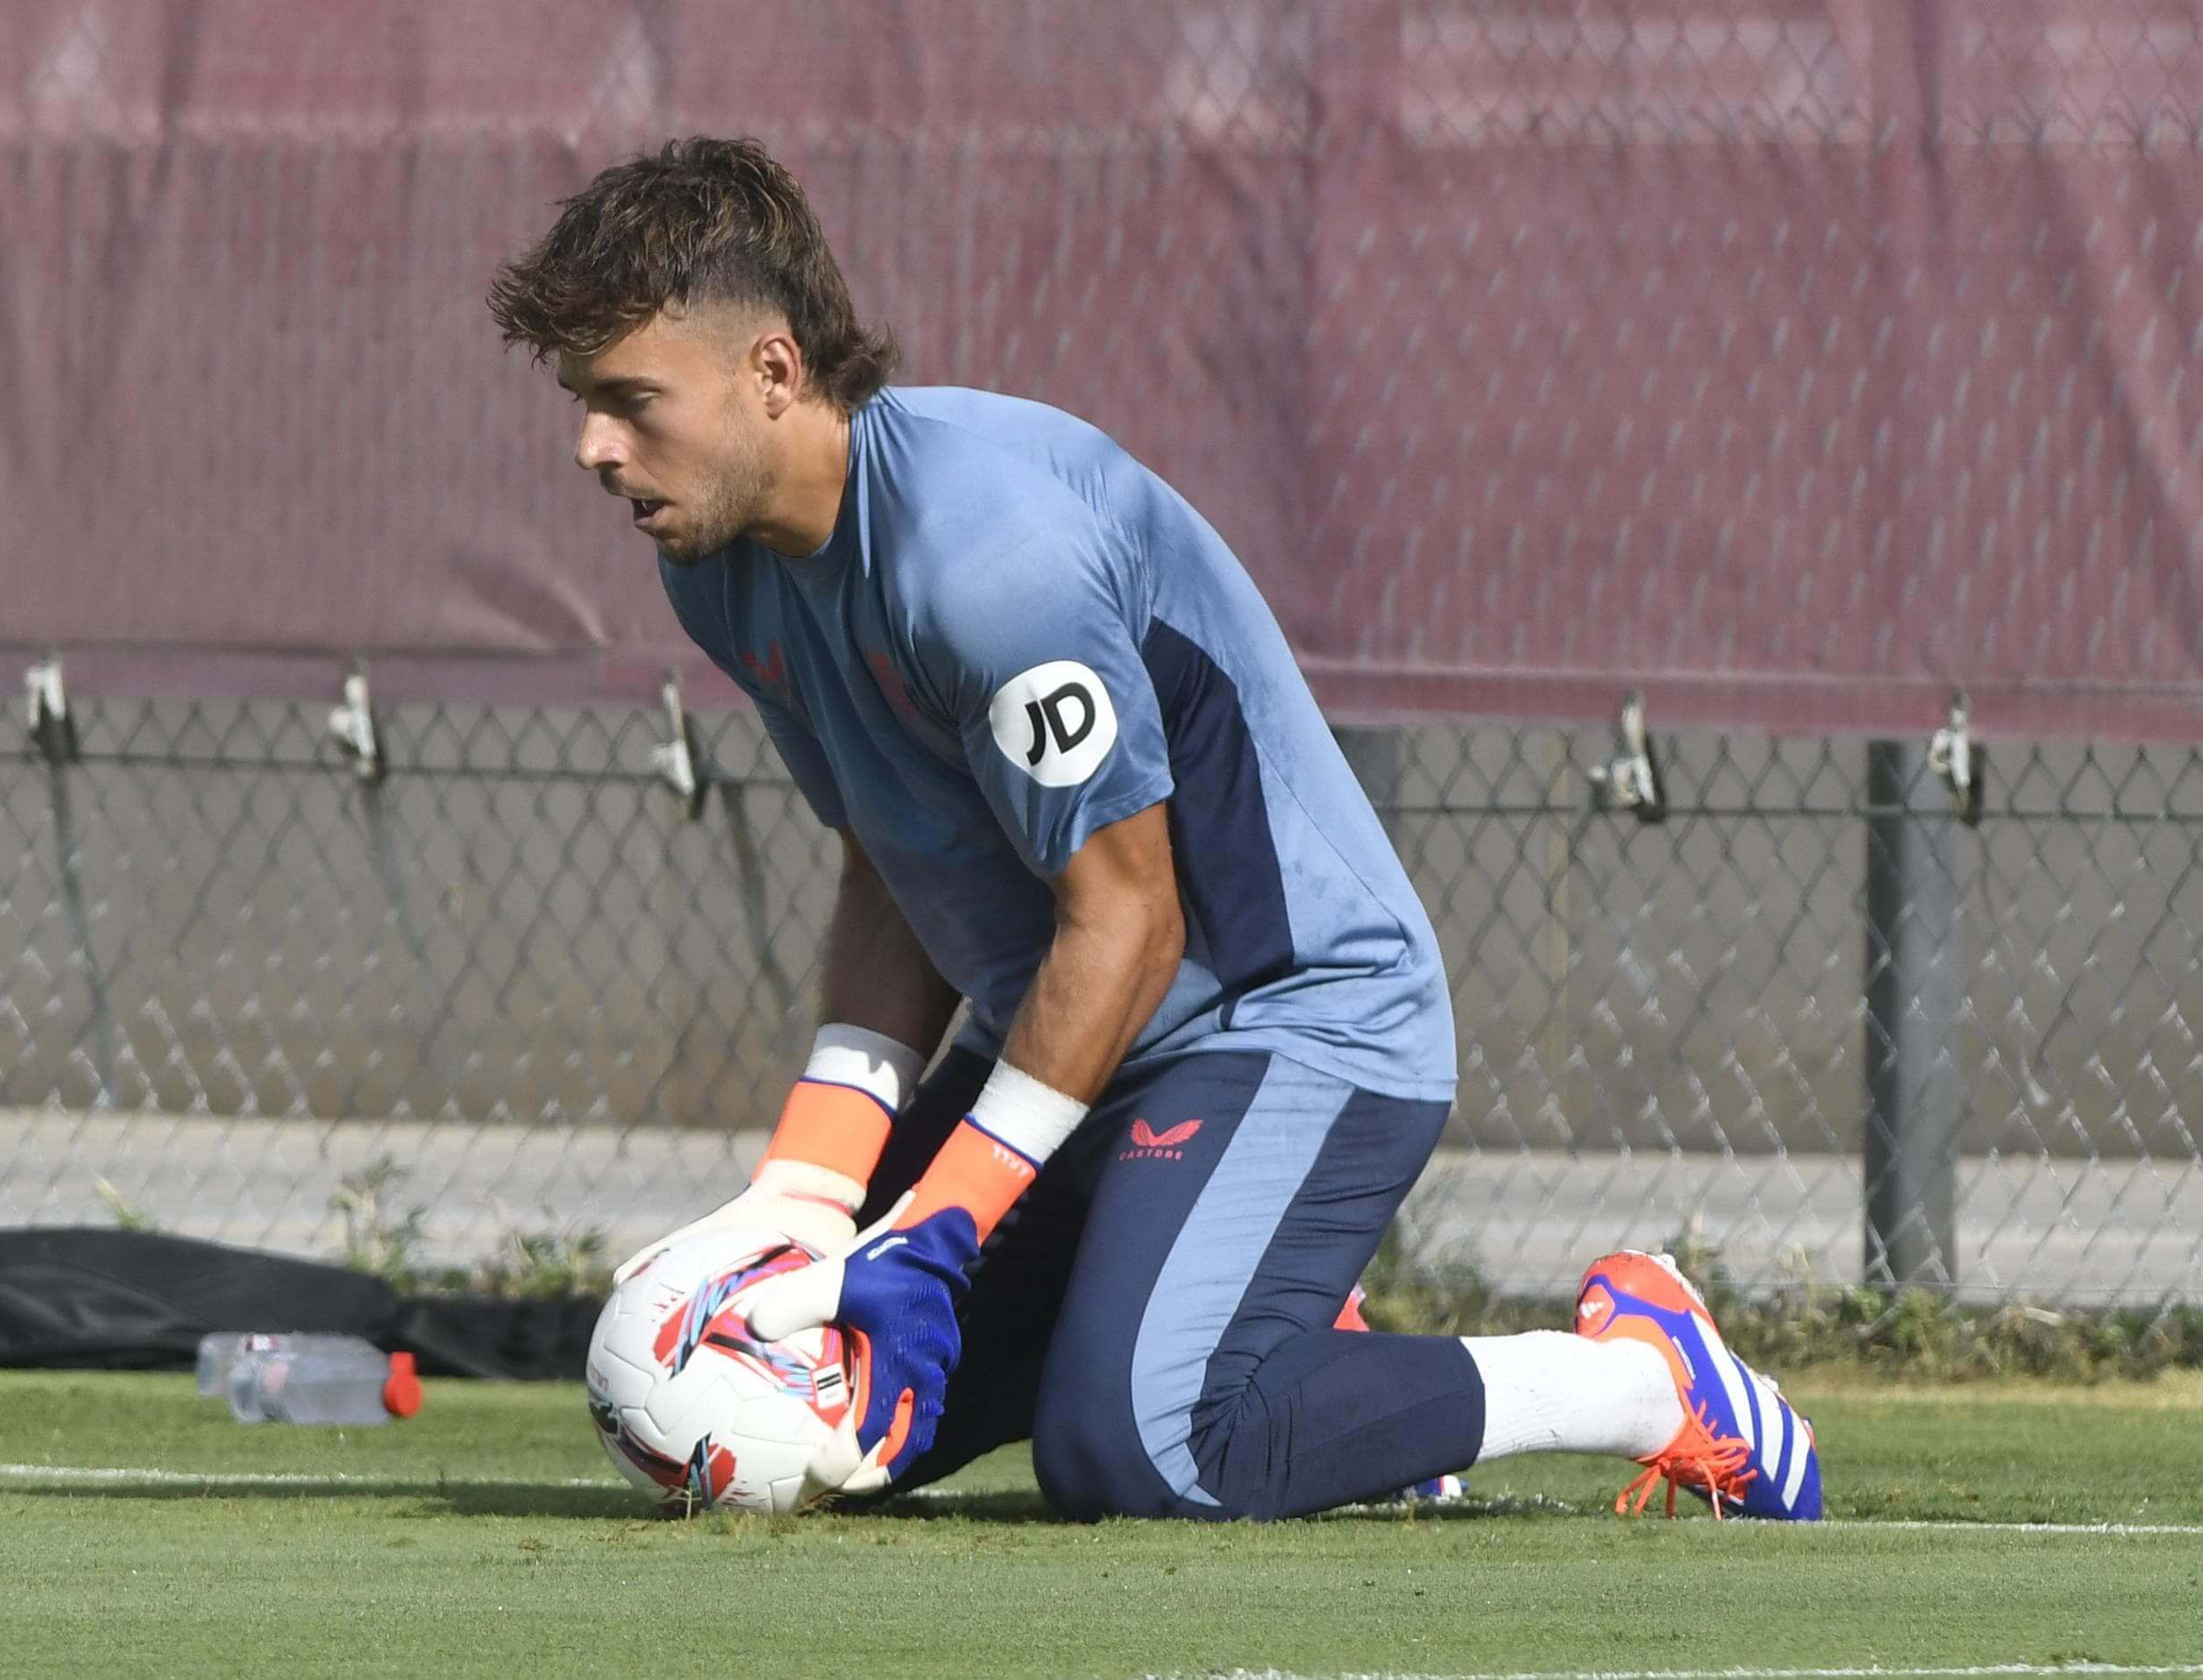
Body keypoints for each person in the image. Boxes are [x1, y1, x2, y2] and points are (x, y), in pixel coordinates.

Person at [487, 137, 1820, 1522]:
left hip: (1290, 1024)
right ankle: (1298, 1360)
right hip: (1068, 1048)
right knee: (821, 1429)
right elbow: (889, 865)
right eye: (584, 403)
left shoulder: (985, 559)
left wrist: (942, 1223)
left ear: (771, 370)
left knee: (1141, 1450)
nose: (594, 447)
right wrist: (806, 1186)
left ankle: (1638, 1376)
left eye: (629, 401)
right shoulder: (721, 566)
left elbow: (1129, 921)